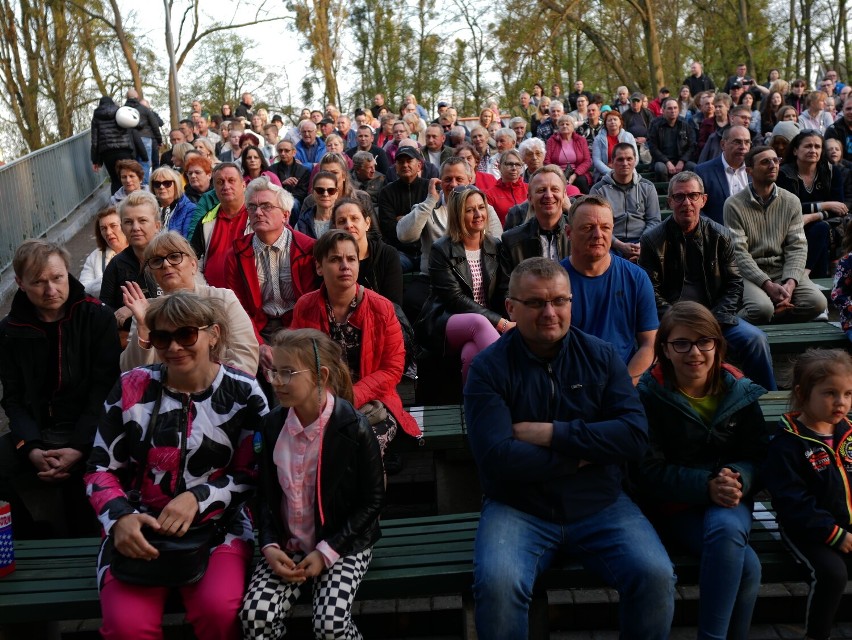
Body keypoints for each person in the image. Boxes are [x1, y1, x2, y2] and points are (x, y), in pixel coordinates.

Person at [464, 256, 675, 639]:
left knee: (655, 575)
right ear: (511, 307)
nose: (550, 312)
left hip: (601, 503)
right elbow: (496, 459)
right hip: (519, 506)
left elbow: (632, 436)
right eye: (536, 303)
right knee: (497, 586)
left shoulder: (601, 355)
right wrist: (584, 454)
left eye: (560, 301)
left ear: (571, 303)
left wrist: (553, 435)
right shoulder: (489, 368)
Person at [85, 291, 268, 640]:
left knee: (220, 611)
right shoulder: (131, 387)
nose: (173, 347)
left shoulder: (243, 392)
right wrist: (120, 517)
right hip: (139, 524)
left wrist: (200, 497)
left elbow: (254, 472)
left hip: (217, 527)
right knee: (128, 626)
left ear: (212, 334)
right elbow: (100, 467)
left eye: (186, 335)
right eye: (161, 337)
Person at [636, 301, 768, 640]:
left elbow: (758, 456)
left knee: (729, 536)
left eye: (703, 341)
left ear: (717, 345)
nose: (694, 352)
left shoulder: (739, 389)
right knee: (748, 568)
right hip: (675, 506)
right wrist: (706, 485)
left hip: (729, 498)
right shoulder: (650, 396)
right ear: (664, 348)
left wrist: (738, 476)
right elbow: (646, 471)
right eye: (681, 343)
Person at [239, 328, 384, 639]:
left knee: (329, 625)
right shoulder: (272, 424)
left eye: (287, 373)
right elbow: (264, 496)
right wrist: (268, 544)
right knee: (255, 617)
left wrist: (328, 551)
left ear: (321, 374)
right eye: (273, 371)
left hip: (343, 544)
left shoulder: (353, 429)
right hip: (287, 546)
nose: (276, 381)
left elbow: (372, 501)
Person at [0, 240, 120, 538]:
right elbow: (13, 399)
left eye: (57, 278)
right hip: (37, 431)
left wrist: (79, 446)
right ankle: (30, 535)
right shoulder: (9, 329)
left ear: (68, 272)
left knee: (82, 506)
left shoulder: (97, 317)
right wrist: (30, 447)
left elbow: (104, 391)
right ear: (20, 283)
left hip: (89, 431)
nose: (51, 289)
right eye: (38, 282)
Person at [639, 171, 777, 390]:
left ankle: (768, 398)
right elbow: (650, 291)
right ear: (670, 201)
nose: (687, 202)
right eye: (680, 197)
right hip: (671, 320)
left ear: (703, 200)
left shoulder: (721, 235)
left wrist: (713, 322)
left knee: (756, 339)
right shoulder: (652, 239)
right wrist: (678, 322)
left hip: (715, 316)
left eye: (693, 196)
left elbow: (734, 284)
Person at [291, 230, 422, 454]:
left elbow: (392, 369)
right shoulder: (305, 306)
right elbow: (297, 364)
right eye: (335, 259)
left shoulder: (381, 308)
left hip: (374, 402)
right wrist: (328, 401)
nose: (345, 265)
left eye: (351, 259)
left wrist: (351, 397)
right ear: (319, 267)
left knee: (363, 449)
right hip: (319, 403)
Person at [763, 349, 852, 640]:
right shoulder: (788, 443)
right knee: (832, 574)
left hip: (846, 526)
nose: (841, 403)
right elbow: (792, 502)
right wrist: (834, 534)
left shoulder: (848, 433)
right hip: (809, 531)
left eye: (848, 394)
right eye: (830, 393)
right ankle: (816, 635)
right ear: (802, 394)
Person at [119, 231, 259, 375]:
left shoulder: (223, 299)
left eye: (174, 256)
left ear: (193, 264)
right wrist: (144, 325)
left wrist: (216, 390)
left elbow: (244, 355)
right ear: (152, 274)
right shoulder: (146, 310)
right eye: (157, 261)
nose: (166, 264)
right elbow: (131, 371)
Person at [415, 186, 513, 382]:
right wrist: (501, 323)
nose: (478, 214)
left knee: (472, 354)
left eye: (481, 208)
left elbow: (504, 290)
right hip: (448, 320)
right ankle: (512, 383)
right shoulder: (441, 249)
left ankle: (473, 406)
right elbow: (455, 300)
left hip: (487, 324)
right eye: (469, 210)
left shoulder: (496, 246)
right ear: (458, 214)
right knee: (478, 323)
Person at [724, 146, 828, 324]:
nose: (773, 165)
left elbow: (798, 246)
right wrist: (767, 285)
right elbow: (739, 253)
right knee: (761, 309)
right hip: (749, 273)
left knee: (817, 303)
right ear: (749, 171)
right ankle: (727, 323)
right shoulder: (734, 204)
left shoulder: (791, 201)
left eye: (776, 160)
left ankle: (777, 314)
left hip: (782, 269)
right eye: (765, 162)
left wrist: (791, 281)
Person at [561, 195, 658, 384]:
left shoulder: (636, 277)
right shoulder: (554, 282)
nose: (598, 234)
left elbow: (650, 344)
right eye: (588, 227)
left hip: (624, 380)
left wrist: (623, 387)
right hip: (571, 384)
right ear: (568, 232)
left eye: (605, 227)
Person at [225, 176, 317, 370]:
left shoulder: (308, 249)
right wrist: (259, 346)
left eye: (266, 206)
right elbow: (238, 308)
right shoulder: (236, 254)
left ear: (285, 215)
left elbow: (311, 304)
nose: (258, 212)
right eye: (252, 207)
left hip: (299, 327)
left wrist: (287, 345)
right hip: (256, 329)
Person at [777, 131, 847, 279]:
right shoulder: (783, 174)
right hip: (789, 224)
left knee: (820, 228)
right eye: (808, 146)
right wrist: (825, 205)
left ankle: (802, 276)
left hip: (827, 226)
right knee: (819, 232)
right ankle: (809, 280)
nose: (813, 150)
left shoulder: (831, 172)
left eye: (817, 146)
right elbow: (789, 207)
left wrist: (812, 216)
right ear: (796, 150)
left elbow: (839, 208)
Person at [100, 191, 161, 330]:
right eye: (128, 222)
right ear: (122, 227)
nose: (135, 228)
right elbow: (104, 308)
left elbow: (183, 297)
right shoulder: (116, 264)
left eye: (142, 220)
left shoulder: (172, 257)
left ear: (157, 226)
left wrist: (136, 308)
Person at [589, 142, 659, 260]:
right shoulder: (599, 190)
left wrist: (641, 244)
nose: (625, 163)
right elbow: (596, 225)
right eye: (620, 159)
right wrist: (619, 245)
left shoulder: (647, 187)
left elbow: (654, 221)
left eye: (629, 159)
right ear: (612, 162)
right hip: (611, 243)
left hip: (642, 241)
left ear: (635, 160)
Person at [333, 198, 401, 306]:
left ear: (367, 223)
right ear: (335, 228)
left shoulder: (387, 254)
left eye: (354, 218)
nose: (349, 225)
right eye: (341, 221)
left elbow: (394, 304)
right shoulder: (330, 260)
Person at [695, 125, 753, 225]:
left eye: (747, 142)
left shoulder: (755, 170)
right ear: (723, 145)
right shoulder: (703, 172)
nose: (743, 147)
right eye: (737, 142)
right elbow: (697, 209)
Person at [91, 95, 145, 194]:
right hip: (124, 150)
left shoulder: (96, 117)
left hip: (107, 153)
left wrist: (95, 160)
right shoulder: (120, 112)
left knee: (115, 180)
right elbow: (136, 126)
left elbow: (95, 141)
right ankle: (134, 199)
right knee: (130, 177)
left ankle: (116, 205)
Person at [79, 206, 128, 299]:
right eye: (103, 228)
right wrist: (109, 279)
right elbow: (82, 290)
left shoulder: (139, 249)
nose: (108, 232)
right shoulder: (94, 257)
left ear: (125, 225)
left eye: (113, 226)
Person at [648, 98, 697, 181]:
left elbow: (692, 145)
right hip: (662, 161)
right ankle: (664, 192)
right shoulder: (655, 124)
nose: (673, 111)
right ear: (663, 110)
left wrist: (682, 161)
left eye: (675, 108)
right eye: (669, 108)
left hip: (682, 161)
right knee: (660, 168)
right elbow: (652, 147)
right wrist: (667, 162)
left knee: (693, 167)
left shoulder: (685, 124)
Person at [544, 115, 592, 193]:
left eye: (567, 124)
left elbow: (587, 161)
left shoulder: (581, 140)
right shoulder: (551, 141)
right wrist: (557, 172)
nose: (564, 126)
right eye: (562, 124)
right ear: (558, 127)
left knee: (581, 181)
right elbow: (547, 161)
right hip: (557, 172)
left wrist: (575, 174)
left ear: (573, 127)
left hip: (578, 172)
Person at [483, 148, 527, 225]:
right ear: (499, 167)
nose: (514, 168)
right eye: (509, 164)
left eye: (517, 164)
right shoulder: (489, 195)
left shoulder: (530, 189)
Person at [591, 110, 638, 181]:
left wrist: (623, 170)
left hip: (627, 171)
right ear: (605, 124)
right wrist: (612, 173)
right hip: (605, 174)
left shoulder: (629, 136)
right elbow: (597, 160)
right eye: (609, 120)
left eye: (615, 119)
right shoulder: (598, 139)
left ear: (620, 122)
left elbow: (635, 157)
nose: (612, 122)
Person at [150, 166, 196, 238]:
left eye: (167, 183)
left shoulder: (190, 210)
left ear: (176, 185)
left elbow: (187, 242)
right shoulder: (149, 209)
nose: (161, 187)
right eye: (157, 184)